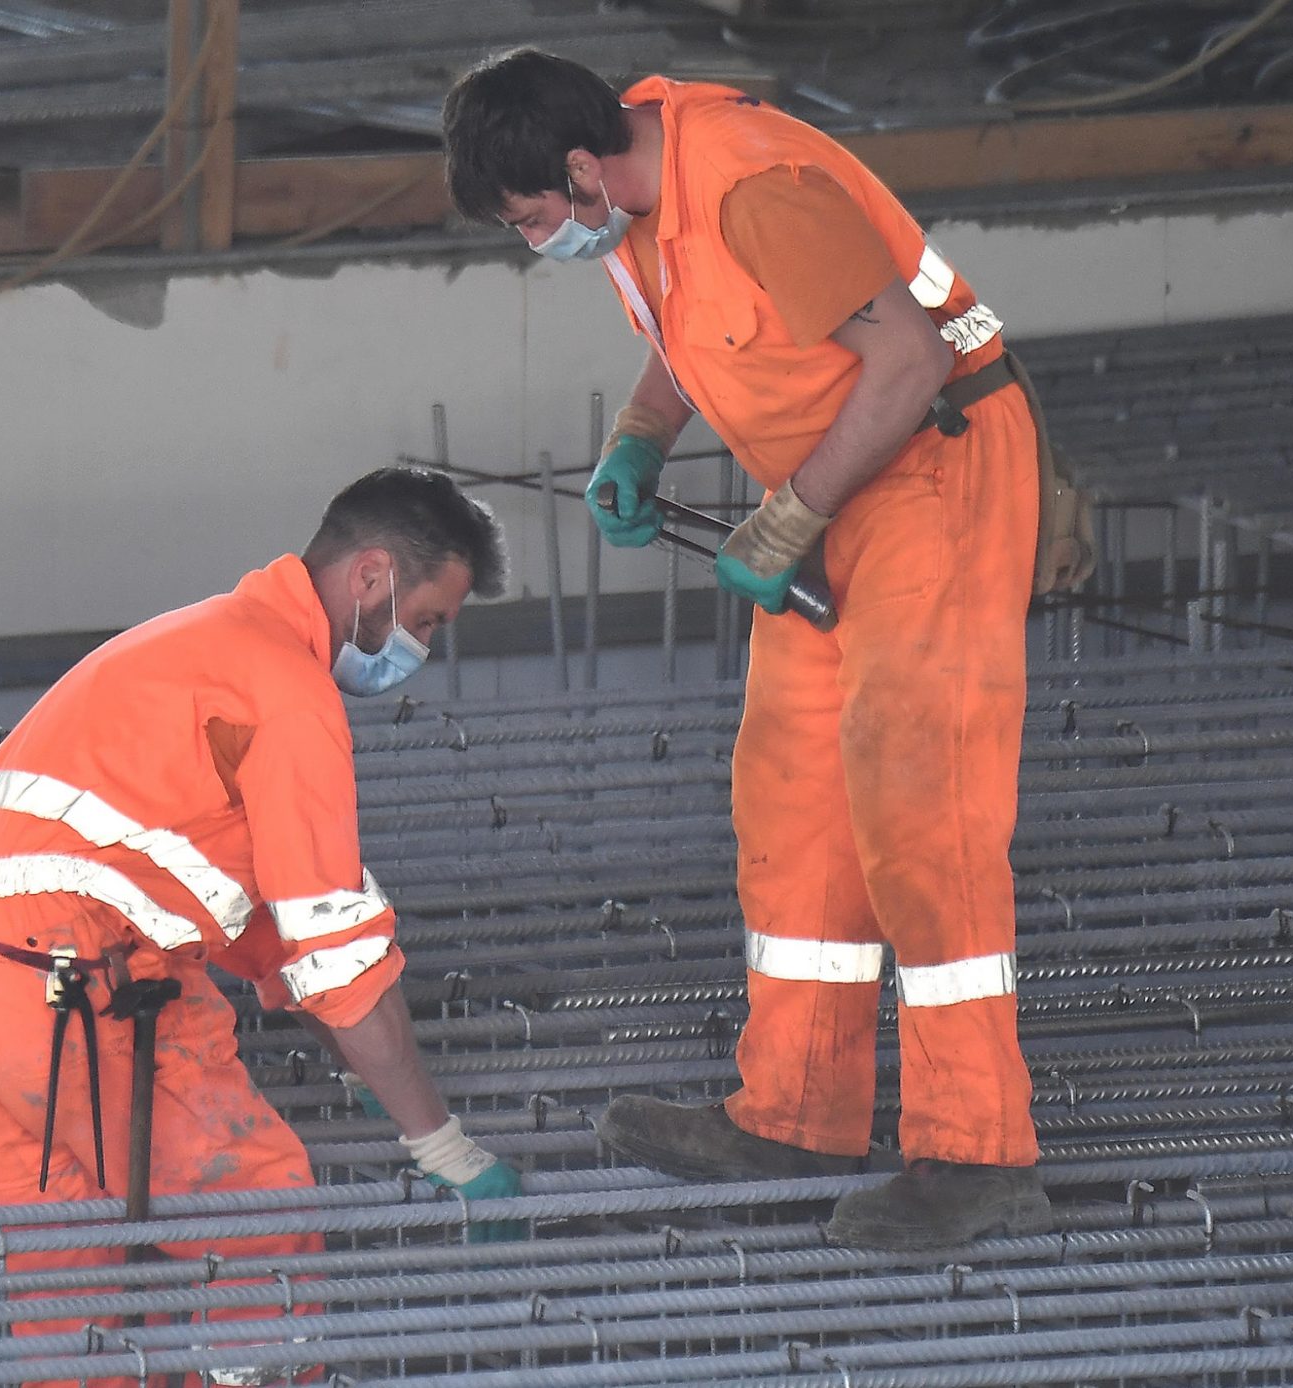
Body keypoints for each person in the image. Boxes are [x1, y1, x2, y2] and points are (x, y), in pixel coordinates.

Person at [441, 49, 1055, 1251]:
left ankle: (979, 1153)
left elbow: (911, 361)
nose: (534, 243)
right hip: (836, 490)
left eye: (529, 221)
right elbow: (696, 333)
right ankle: (796, 1110)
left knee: (918, 799)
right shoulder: (635, 203)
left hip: (935, 467)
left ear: (579, 169)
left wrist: (787, 517)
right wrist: (638, 438)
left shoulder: (756, 188)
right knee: (794, 795)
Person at [0, 467, 523, 1381]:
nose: (423, 648)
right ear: (371, 576)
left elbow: (257, 920)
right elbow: (340, 963)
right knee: (262, 1216)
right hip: (74, 991)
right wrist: (442, 1145)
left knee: (72, 1278)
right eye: (428, 620)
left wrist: (355, 1051)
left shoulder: (199, 643)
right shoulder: (287, 695)